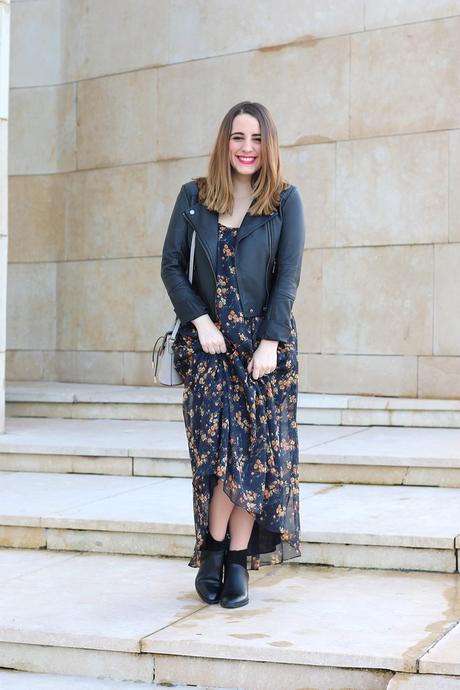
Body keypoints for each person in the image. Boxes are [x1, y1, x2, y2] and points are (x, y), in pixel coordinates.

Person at [160, 100, 305, 609]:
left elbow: (287, 279)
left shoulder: (285, 201)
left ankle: (231, 559)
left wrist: (270, 342)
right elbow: (172, 266)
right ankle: (216, 549)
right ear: (225, 142)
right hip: (207, 349)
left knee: (253, 457)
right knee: (219, 458)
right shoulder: (194, 197)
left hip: (263, 352)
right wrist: (199, 321)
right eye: (238, 137)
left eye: (256, 139)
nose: (247, 148)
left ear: (269, 146)